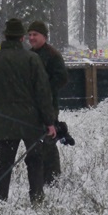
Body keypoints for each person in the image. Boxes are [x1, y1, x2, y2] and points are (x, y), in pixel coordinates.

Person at [0, 18, 57, 204]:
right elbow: (43, 93)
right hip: (31, 121)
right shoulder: (32, 59)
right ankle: (36, 198)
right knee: (35, 161)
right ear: (22, 38)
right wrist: (49, 121)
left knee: (4, 162)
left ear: (5, 36)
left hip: (5, 122)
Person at [27, 20, 69, 185]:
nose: (31, 38)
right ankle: (40, 174)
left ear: (44, 36)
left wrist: (45, 89)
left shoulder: (52, 55)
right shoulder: (30, 54)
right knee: (36, 139)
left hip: (49, 105)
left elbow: (62, 78)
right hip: (33, 106)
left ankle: (52, 177)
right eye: (29, 35)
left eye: (35, 34)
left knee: (48, 139)